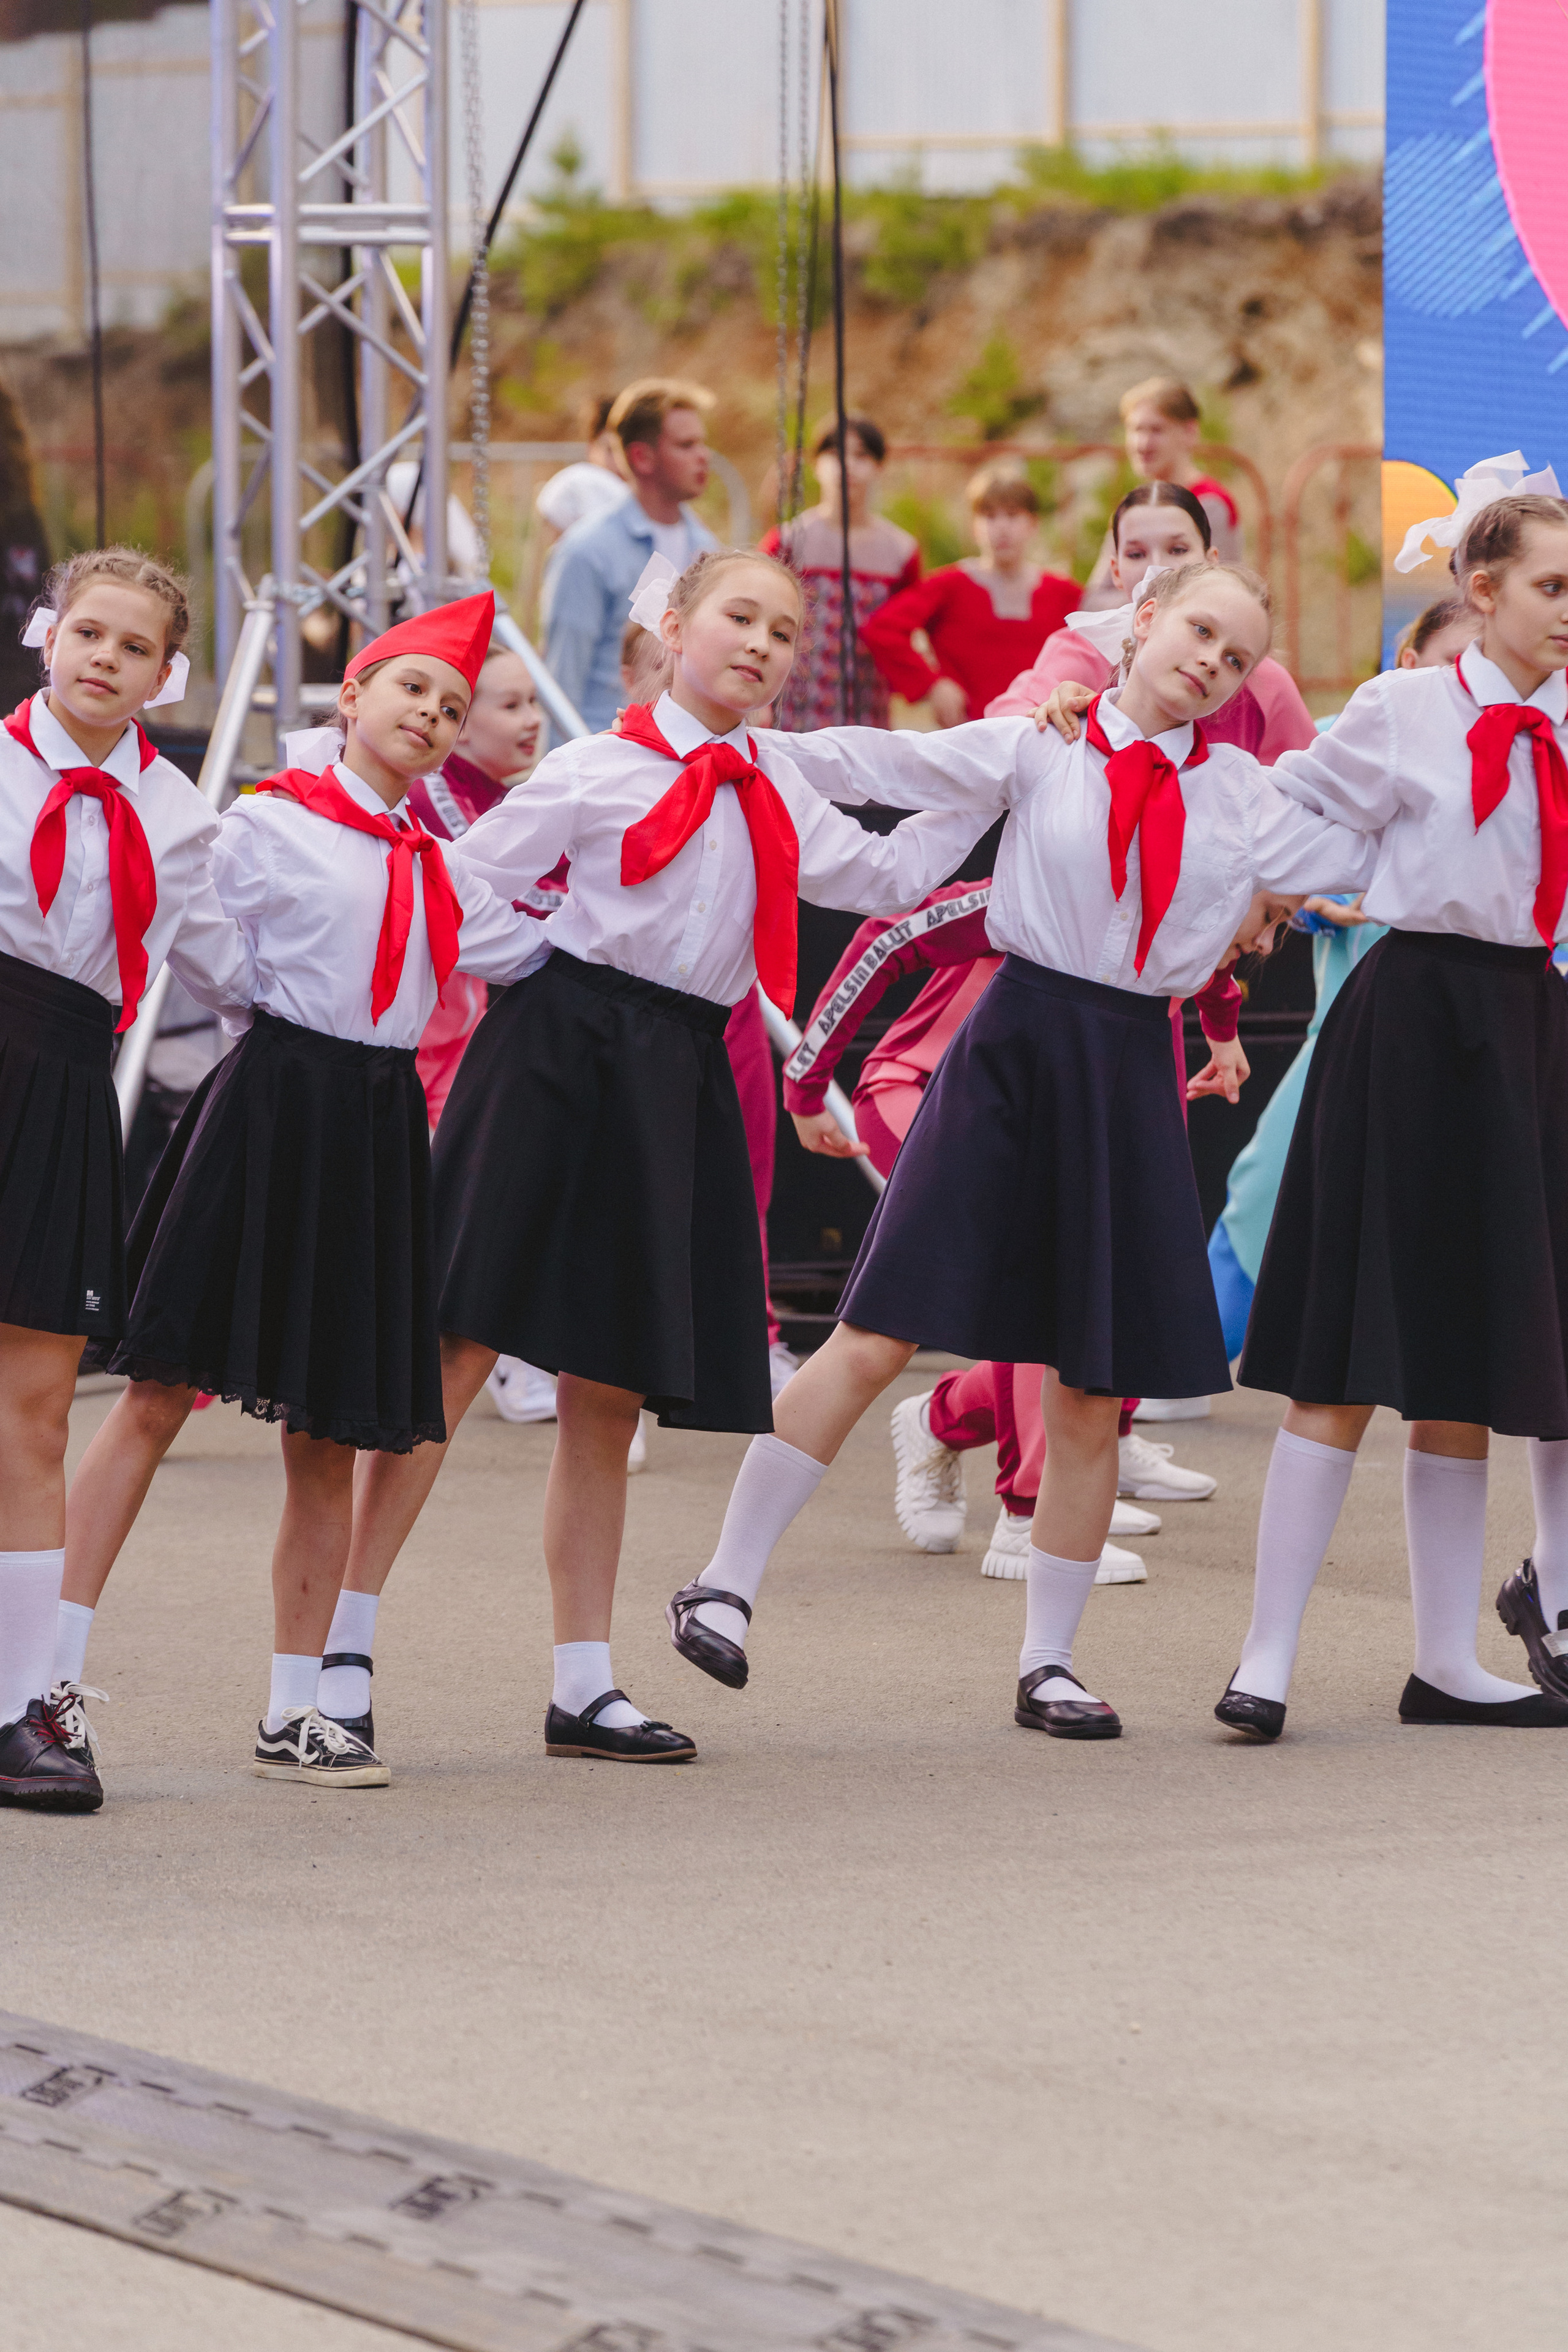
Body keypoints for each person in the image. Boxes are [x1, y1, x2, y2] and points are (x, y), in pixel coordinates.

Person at [300, 547, 981, 1770]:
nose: (761, 644)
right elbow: (455, 879)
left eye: (784, 630)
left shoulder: (776, 781)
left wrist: (998, 781)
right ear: (674, 626)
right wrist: (532, 958)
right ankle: (340, 1657)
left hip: (681, 1072)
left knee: (605, 1391)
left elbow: (883, 873)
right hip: (555, 1051)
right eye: (739, 617)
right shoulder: (592, 769)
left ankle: (584, 1684)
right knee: (454, 1353)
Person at [665, 559, 1343, 1741]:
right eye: (1198, 632)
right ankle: (723, 1583)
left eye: (1237, 659)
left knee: (1093, 1385)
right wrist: (726, 741)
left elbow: (1369, 854)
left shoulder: (1244, 792)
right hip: (1017, 1047)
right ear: (1142, 620)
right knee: (878, 1332)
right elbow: (882, 764)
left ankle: (1049, 1664)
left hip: (1130, 1068)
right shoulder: (1042, 745)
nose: (1211, 665)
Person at [56, 594, 549, 1792]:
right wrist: (262, 1016)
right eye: (411, 689)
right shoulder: (268, 820)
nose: (430, 715)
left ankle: (296, 1708)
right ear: (353, 695)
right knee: (156, 1395)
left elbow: (541, 948)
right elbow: (194, 928)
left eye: (451, 706)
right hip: (271, 1104)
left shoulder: (441, 866)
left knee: (328, 1434)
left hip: (376, 1132)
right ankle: (38, 1676)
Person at [1217, 478, 1568, 1739]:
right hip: (1412, 1014)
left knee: (1464, 1358)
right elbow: (1278, 823)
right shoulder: (1403, 707)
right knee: (1347, 1350)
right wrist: (1369, 872)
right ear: (1481, 590)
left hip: (1527, 1026)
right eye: (1551, 587)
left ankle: (1445, 1664)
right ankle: (1264, 1658)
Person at [0, 548, 258, 1811]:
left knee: (36, 1411)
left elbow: (231, 971)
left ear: (169, 675)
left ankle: (17, 1709)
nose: (107, 657)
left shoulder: (179, 814)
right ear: (47, 635)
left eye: (136, 646)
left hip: (60, 1092)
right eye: (90, 632)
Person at [783, 878, 1238, 1580]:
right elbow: (886, 935)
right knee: (1041, 1289)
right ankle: (1024, 1512)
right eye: (1270, 919)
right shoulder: (1040, 883)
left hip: (1041, 1113)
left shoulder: (1179, 899)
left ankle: (975, 1427)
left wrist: (1223, 1023)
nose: (1263, 941)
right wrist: (807, 1082)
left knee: (1103, 1283)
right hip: (926, 1093)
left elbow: (1210, 957)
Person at [1205, 594, 1480, 1359]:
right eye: (1454, 662)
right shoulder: (1341, 744)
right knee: (1268, 1182)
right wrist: (1311, 901)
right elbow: (1259, 846)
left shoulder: (1526, 758)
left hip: (1483, 1026)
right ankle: (1187, 1359)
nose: (1469, 682)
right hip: (1352, 1027)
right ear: (1408, 661)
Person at [990, 484, 1316, 762]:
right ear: (1116, 572)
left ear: (1211, 562)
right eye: (1136, 554)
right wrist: (1057, 713)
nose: (1158, 568)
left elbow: (1311, 779)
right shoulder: (1080, 648)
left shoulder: (1262, 679)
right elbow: (1005, 726)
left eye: (1178, 549)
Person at [542, 379, 718, 730]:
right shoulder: (588, 550)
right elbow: (562, 681)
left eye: (702, 443)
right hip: (604, 745)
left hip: (681, 749)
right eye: (686, 445)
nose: (704, 456)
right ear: (642, 457)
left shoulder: (708, 549)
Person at [860, 466, 1079, 723]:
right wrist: (932, 685)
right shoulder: (949, 586)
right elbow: (883, 629)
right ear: (974, 527)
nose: (1002, 527)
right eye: (989, 516)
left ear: (1033, 524)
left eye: (1012, 515)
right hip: (968, 731)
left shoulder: (1064, 593)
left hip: (1041, 730)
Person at [761, 415, 919, 730]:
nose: (848, 465)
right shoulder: (788, 541)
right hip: (794, 704)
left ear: (879, 467)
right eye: (835, 453)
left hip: (867, 704)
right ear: (816, 465)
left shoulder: (901, 551)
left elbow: (908, 629)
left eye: (862, 455)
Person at [1079, 375, 1242, 609]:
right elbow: (1094, 599)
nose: (1143, 444)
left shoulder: (1209, 503)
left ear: (1189, 432)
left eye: (1157, 430)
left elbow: (1219, 592)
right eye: (1136, 430)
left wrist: (1140, 598)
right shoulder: (1132, 508)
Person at [534, 395, 630, 543]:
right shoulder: (578, 483)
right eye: (610, 450)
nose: (620, 461)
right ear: (591, 448)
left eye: (625, 450)